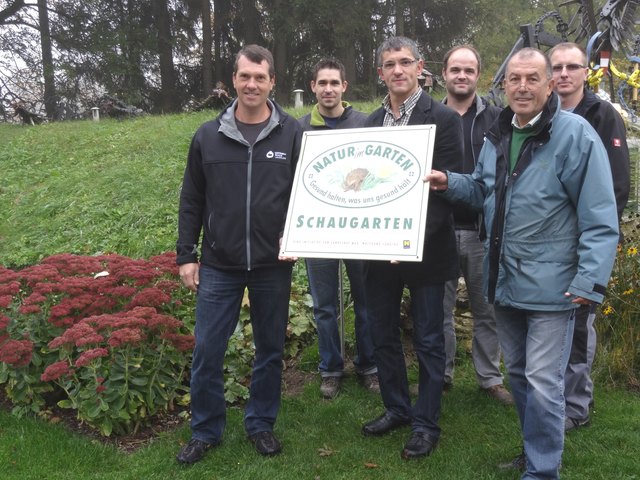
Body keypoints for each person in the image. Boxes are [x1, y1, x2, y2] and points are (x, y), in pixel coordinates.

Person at [426, 48, 619, 478]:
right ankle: (536, 452)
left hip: (554, 287)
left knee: (545, 382)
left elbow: (601, 218)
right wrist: (448, 182)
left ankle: (542, 470)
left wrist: (589, 281)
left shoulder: (575, 135)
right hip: (506, 281)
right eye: (514, 79)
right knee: (520, 377)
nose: (523, 86)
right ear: (505, 85)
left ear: (550, 84)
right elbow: (482, 190)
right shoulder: (499, 132)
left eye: (533, 78)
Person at [175, 44, 302, 465]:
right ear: (233, 80)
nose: (252, 84)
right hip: (219, 265)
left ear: (272, 82)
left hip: (273, 264)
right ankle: (205, 430)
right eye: (245, 76)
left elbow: (308, 194)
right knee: (208, 349)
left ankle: (261, 423)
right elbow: (192, 198)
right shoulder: (208, 136)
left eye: (260, 77)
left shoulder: (292, 134)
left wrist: (298, 237)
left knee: (269, 349)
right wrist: (186, 254)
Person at [360, 36, 463, 460]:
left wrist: (410, 238)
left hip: (427, 250)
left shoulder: (442, 118)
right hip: (380, 254)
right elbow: (364, 191)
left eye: (405, 62)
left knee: (428, 340)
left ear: (420, 66)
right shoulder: (369, 125)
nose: (398, 70)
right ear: (380, 72)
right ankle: (397, 408)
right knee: (382, 335)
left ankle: (426, 422)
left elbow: (451, 189)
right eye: (389, 64)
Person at [548, 42, 630, 433]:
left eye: (572, 67)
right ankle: (552, 396)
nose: (564, 74)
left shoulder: (603, 115)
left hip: (586, 240)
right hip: (548, 242)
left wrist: (598, 244)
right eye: (558, 67)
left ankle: (576, 405)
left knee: (580, 323)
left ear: (585, 73)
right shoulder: (542, 114)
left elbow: (615, 185)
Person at [298, 58, 379, 399]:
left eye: (335, 83)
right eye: (322, 83)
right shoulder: (299, 128)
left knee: (366, 302)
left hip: (359, 229)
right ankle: (330, 369)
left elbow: (377, 169)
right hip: (319, 229)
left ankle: (368, 366)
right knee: (324, 305)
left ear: (344, 87)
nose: (328, 89)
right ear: (313, 87)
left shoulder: (365, 123)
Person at [440, 45, 513, 405]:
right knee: (439, 310)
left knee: (488, 309)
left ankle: (489, 377)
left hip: (483, 231)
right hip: (438, 229)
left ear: (478, 75)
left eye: (469, 70)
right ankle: (442, 373)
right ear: (444, 74)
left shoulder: (498, 119)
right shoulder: (432, 118)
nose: (462, 76)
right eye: (456, 69)